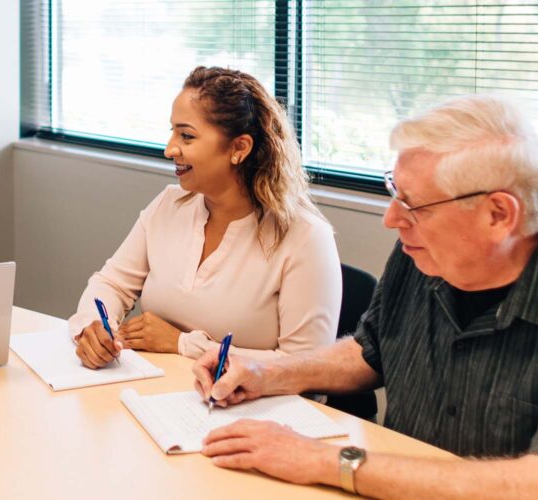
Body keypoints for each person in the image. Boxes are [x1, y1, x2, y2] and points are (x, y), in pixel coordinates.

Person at [193, 95, 538, 499]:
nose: (392, 218)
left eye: (413, 203)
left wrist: (324, 460)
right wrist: (265, 372)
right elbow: (371, 351)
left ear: (498, 215)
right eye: (394, 191)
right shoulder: (422, 252)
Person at [70, 66, 341, 369]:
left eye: (186, 136)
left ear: (239, 148)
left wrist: (183, 344)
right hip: (163, 392)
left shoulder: (305, 236)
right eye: (172, 132)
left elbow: (304, 367)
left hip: (252, 408)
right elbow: (111, 283)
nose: (169, 149)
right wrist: (92, 326)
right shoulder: (169, 205)